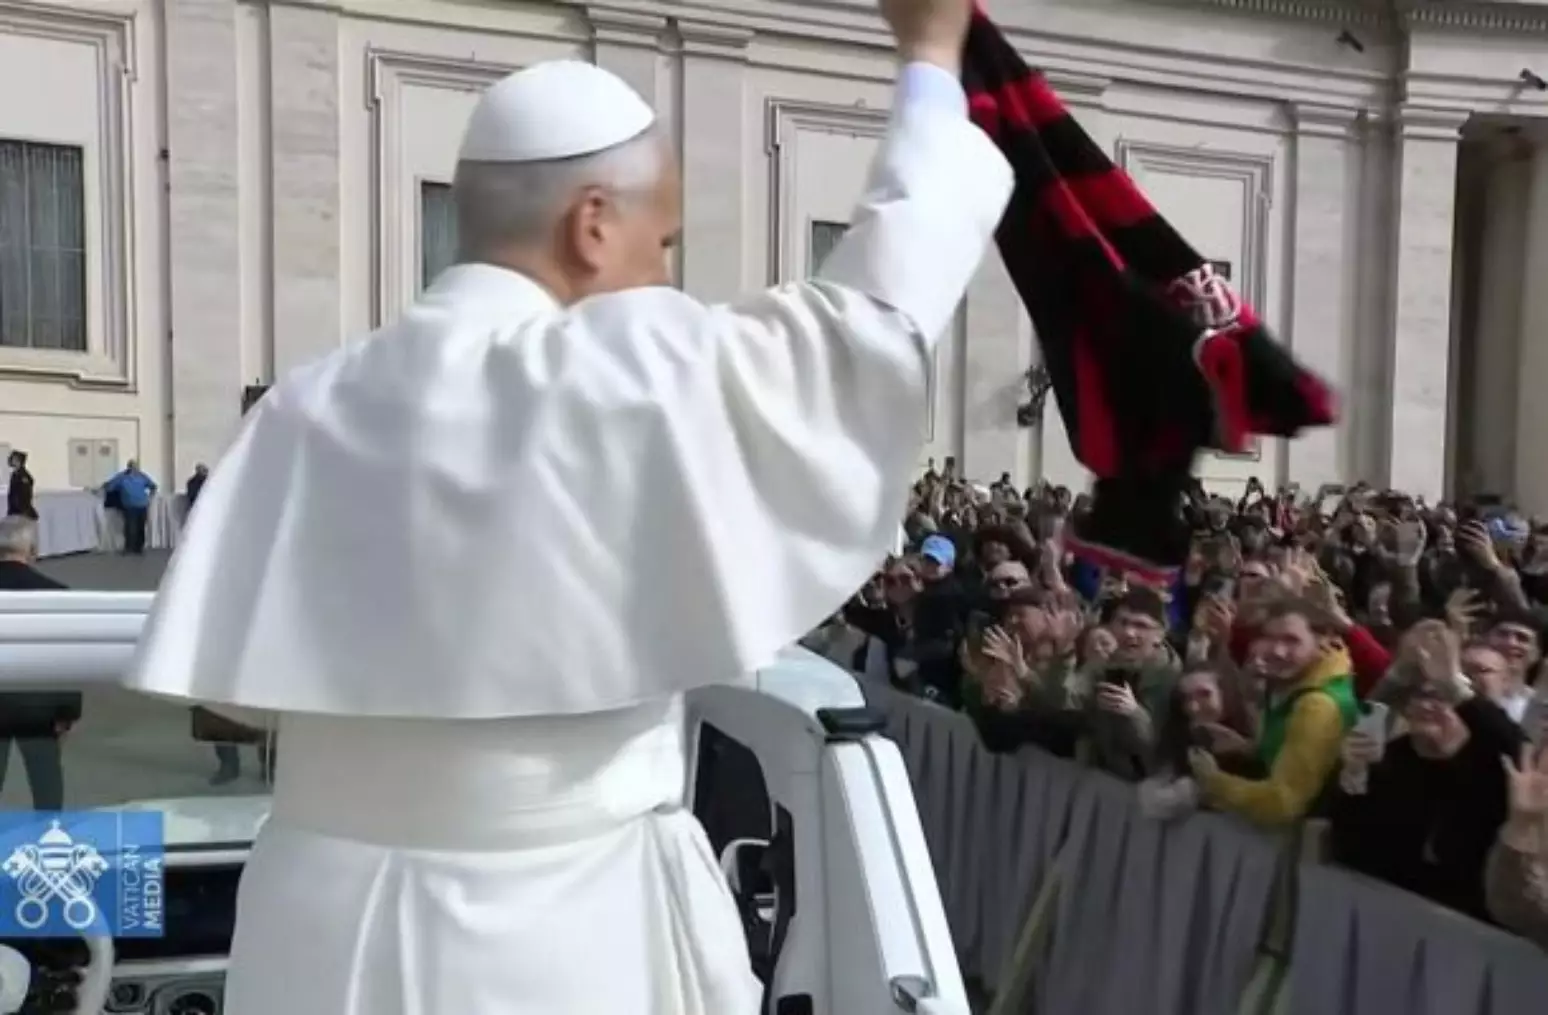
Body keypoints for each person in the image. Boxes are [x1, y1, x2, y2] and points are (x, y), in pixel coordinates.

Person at [120, 0, 1013, 1011]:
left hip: (312, 934)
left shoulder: (304, 406)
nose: (665, 271)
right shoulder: (627, 372)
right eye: (664, 240)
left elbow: (232, 700)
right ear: (593, 223)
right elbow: (876, 315)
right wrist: (930, 56)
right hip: (557, 928)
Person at [0, 516, 79, 810]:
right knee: (46, 784)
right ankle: (49, 844)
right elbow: (67, 660)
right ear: (32, 549)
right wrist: (68, 711)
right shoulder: (56, 594)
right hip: (38, 704)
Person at [102, 460, 158, 555]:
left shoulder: (142, 476)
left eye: (135, 466)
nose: (134, 469)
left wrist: (150, 497)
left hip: (142, 505)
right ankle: (129, 547)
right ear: (128, 467)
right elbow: (110, 486)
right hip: (129, 505)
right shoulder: (122, 477)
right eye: (132, 467)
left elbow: (153, 486)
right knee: (130, 527)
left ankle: (139, 547)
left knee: (141, 526)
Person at [4, 451, 35, 521]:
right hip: (14, 510)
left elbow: (25, 494)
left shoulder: (23, 475)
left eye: (15, 459)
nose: (13, 461)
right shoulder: (14, 474)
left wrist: (22, 509)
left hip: (22, 511)